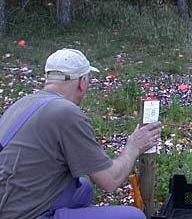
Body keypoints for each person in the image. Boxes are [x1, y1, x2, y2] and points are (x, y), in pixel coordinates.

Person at [0, 48, 161, 219]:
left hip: (8, 203)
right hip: (25, 214)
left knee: (83, 188)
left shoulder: (22, 103)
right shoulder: (67, 114)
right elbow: (109, 181)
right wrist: (134, 147)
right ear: (82, 82)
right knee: (134, 217)